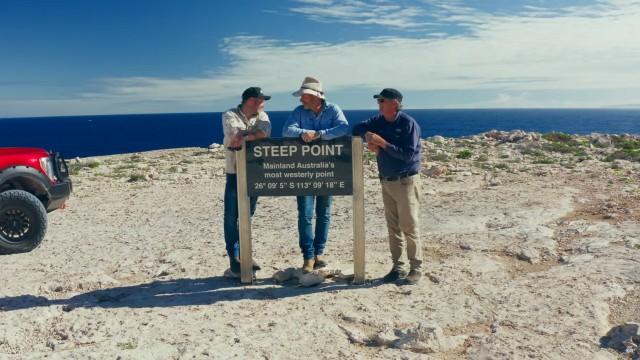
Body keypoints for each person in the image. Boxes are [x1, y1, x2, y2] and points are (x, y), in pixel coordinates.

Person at [352, 88, 423, 284]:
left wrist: (383, 144)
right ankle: (398, 267)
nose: (379, 104)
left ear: (395, 103)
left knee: (409, 226)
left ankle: (416, 267)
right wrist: (368, 137)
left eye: (382, 101)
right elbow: (356, 128)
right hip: (387, 181)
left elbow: (408, 154)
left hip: (406, 181)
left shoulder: (408, 124)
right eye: (378, 101)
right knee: (393, 227)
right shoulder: (378, 121)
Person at [282, 76, 349, 273]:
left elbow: (344, 128)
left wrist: (318, 134)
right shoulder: (298, 112)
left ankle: (319, 253)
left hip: (329, 170)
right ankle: (308, 256)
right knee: (305, 214)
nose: (300, 99)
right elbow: (287, 130)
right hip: (304, 171)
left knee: (324, 213)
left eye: (303, 96)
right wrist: (305, 132)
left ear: (314, 96)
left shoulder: (333, 109)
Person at [222, 87, 272, 276]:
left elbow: (265, 131)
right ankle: (234, 257)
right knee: (231, 215)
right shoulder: (229, 115)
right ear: (251, 100)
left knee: (248, 214)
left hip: (254, 171)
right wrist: (250, 133)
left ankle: (245, 254)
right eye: (261, 100)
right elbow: (234, 131)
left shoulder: (263, 115)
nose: (264, 104)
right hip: (235, 172)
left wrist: (245, 136)